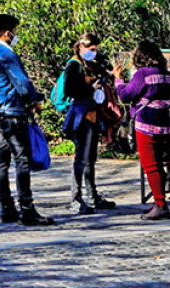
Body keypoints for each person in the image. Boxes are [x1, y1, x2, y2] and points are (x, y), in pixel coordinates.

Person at [0, 13, 54, 226]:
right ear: (7, 33)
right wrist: (34, 100)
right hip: (10, 111)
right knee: (21, 160)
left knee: (1, 160)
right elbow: (22, 83)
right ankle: (27, 209)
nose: (15, 36)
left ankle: (7, 208)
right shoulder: (6, 54)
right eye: (14, 32)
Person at [114, 40, 170, 222]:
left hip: (145, 123)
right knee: (158, 164)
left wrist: (118, 80)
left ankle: (160, 204)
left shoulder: (143, 74)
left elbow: (125, 95)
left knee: (150, 165)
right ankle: (159, 202)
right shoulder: (166, 74)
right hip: (163, 124)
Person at [62, 32, 116, 214]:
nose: (94, 52)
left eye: (96, 50)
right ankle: (76, 198)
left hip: (92, 115)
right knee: (81, 159)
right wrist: (90, 87)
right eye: (91, 49)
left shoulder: (89, 65)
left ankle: (92, 196)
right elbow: (68, 90)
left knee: (90, 159)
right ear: (81, 47)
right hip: (81, 117)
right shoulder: (73, 65)